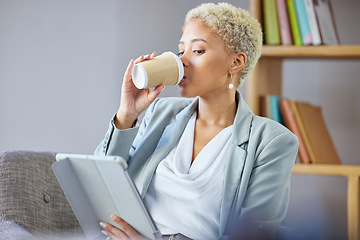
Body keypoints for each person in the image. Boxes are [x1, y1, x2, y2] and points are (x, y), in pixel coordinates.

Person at [95, 2, 298, 240]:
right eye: (181, 51)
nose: (182, 61)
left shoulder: (272, 142)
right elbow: (101, 184)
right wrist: (127, 114)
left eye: (198, 51)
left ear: (236, 62)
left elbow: (253, 235)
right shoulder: (162, 112)